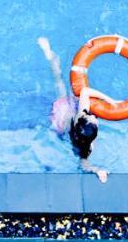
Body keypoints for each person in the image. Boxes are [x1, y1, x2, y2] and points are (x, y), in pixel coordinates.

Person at [38, 36, 112, 182]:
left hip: (61, 114)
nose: (93, 116)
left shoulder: (81, 116)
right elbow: (84, 165)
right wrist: (97, 170)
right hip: (66, 122)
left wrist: (108, 99)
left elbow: (85, 92)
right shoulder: (85, 146)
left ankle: (51, 57)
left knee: (59, 82)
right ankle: (51, 58)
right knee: (59, 84)